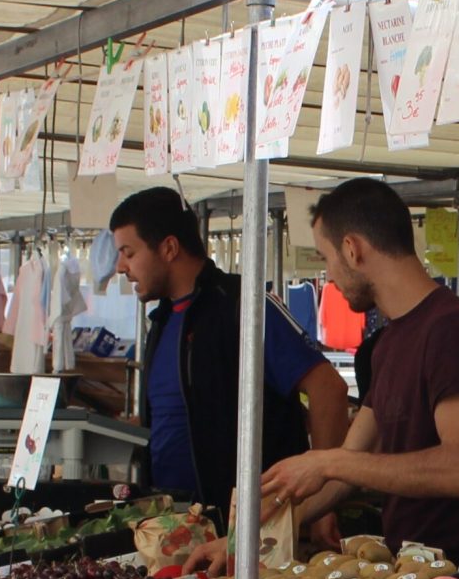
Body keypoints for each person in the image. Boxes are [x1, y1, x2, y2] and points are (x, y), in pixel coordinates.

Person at [238, 178, 459, 562]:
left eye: (326, 257)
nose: (328, 277)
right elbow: (348, 465)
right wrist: (253, 534)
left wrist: (326, 460)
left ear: (351, 250)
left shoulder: (451, 329)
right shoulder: (388, 343)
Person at [87, 187, 349, 516]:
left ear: (169, 248)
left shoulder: (243, 305)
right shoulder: (163, 320)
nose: (121, 267)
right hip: (175, 522)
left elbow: (329, 389)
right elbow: (186, 416)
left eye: (129, 252)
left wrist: (321, 503)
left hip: (249, 526)